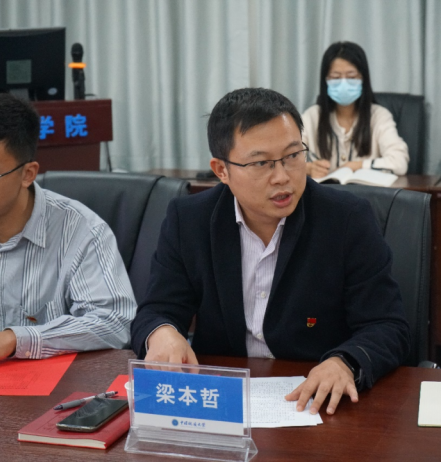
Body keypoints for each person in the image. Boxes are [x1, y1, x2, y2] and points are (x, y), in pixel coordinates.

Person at [132, 88, 410, 416]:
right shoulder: (189, 220)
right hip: (222, 403)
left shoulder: (346, 219)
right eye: (261, 163)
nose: (282, 177)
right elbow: (156, 311)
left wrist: (345, 362)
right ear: (221, 170)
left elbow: (388, 326)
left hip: (316, 404)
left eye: (292, 156)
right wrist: (162, 333)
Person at [0, 94, 136, 375]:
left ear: (27, 174)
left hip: (53, 389)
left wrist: (14, 340)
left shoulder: (81, 230)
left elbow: (114, 322)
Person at [303, 42, 409, 179]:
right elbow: (286, 159)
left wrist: (357, 166)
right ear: (326, 80)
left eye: (351, 77)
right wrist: (308, 168)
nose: (344, 84)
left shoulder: (379, 116)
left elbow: (399, 162)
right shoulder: (312, 117)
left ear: (363, 79)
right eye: (335, 77)